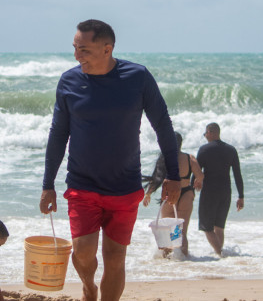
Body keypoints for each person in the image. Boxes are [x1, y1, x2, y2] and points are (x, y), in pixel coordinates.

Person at [40, 19, 182, 301]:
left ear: (107, 48)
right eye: (75, 48)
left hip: (125, 186)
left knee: (115, 258)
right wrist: (48, 184)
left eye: (84, 50)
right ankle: (89, 286)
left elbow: (163, 125)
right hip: (82, 184)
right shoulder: (69, 81)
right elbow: (58, 135)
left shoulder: (138, 77)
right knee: (82, 253)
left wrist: (174, 175)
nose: (77, 55)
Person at [143, 131, 204, 258]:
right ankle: (184, 260)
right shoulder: (189, 158)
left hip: (169, 196)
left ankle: (167, 262)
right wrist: (198, 181)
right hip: (186, 193)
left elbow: (157, 178)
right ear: (181, 143)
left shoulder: (165, 158)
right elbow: (200, 176)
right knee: (181, 231)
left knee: (166, 232)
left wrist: (148, 193)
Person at [196, 123, 244, 256]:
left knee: (207, 227)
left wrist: (191, 188)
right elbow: (237, 175)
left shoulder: (204, 149)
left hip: (209, 192)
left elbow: (196, 171)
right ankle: (220, 256)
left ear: (210, 132)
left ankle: (220, 254)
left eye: (205, 133)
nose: (205, 136)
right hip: (225, 192)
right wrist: (241, 196)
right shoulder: (231, 150)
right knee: (219, 227)